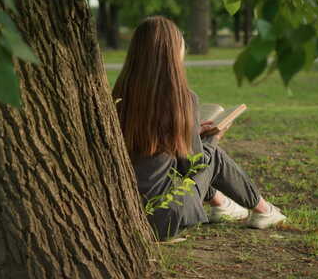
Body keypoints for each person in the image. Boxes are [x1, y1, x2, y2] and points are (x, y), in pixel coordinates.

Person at [112, 16, 286, 241]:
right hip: (165, 218)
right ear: (173, 52)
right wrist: (215, 137)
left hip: (127, 213)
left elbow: (155, 151)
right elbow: (195, 164)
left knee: (194, 150)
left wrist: (191, 133)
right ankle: (263, 210)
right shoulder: (182, 99)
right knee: (213, 156)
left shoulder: (118, 95)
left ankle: (222, 205)